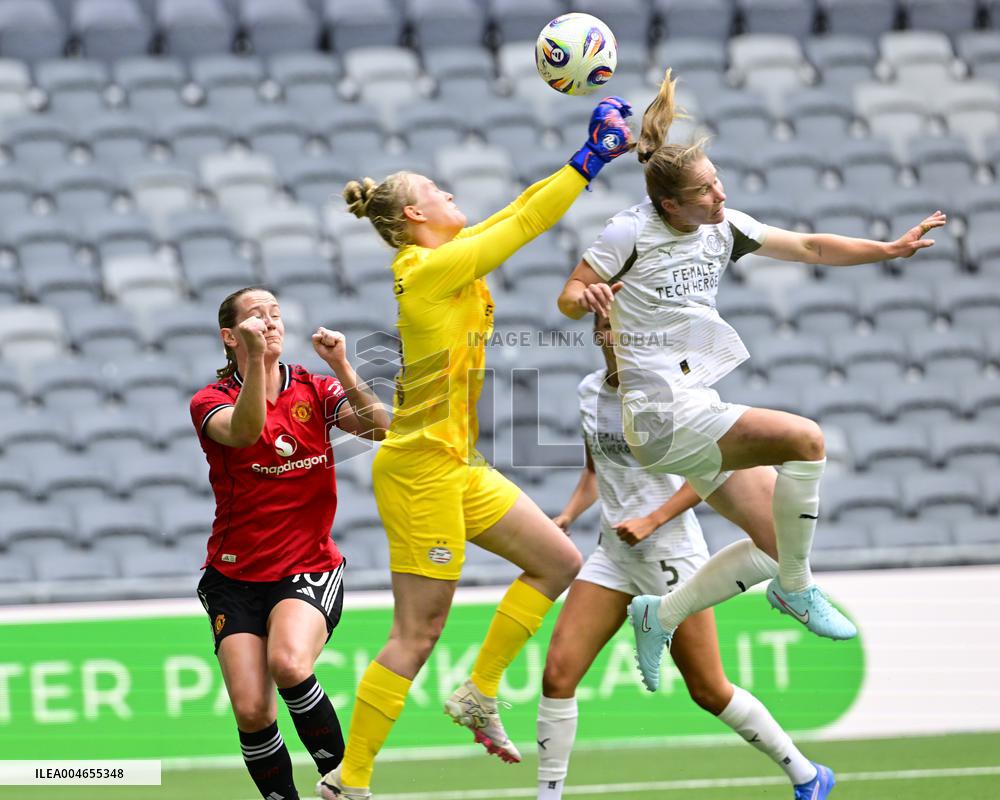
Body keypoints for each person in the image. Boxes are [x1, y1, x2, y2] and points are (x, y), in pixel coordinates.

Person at [556, 70, 947, 690]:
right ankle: (796, 592)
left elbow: (812, 247)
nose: (720, 196)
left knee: (776, 538)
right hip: (660, 413)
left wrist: (889, 249)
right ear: (669, 205)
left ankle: (662, 614)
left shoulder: (723, 226)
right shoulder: (630, 231)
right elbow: (569, 296)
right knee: (806, 440)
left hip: (696, 398)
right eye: (706, 192)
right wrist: (590, 295)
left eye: (717, 183)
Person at [316, 98, 636, 800]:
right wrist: (591, 160)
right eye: (439, 190)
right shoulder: (425, 269)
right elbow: (524, 222)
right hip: (421, 470)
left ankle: (479, 692)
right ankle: (349, 780)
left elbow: (515, 210)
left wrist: (584, 153)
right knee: (417, 633)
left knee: (557, 561)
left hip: (458, 464)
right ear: (413, 219)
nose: (451, 193)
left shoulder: (446, 259)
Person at [535, 313, 835, 800]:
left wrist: (653, 519)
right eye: (604, 326)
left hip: (671, 553)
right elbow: (597, 468)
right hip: (613, 554)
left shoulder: (673, 390)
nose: (611, 335)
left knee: (709, 690)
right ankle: (547, 795)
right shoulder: (590, 392)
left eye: (620, 327)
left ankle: (805, 773)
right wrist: (568, 514)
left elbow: (711, 472)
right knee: (557, 674)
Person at [190, 286, 390, 800]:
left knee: (289, 664)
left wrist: (344, 365)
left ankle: (348, 786)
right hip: (233, 577)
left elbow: (381, 428)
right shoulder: (209, 402)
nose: (271, 322)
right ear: (230, 337)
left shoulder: (316, 389)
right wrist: (257, 362)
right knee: (252, 710)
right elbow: (246, 430)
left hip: (307, 567)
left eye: (276, 314)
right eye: (257, 317)